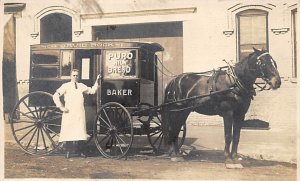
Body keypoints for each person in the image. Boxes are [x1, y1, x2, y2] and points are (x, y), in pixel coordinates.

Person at [53, 69, 100, 158]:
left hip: (79, 112)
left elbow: (92, 91)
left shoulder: (81, 86)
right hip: (69, 112)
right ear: (71, 76)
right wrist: (61, 107)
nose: (75, 77)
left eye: (77, 75)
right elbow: (55, 95)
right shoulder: (65, 86)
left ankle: (81, 151)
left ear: (79, 76)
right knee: (69, 131)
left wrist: (97, 81)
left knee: (80, 130)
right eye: (74, 75)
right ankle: (68, 151)